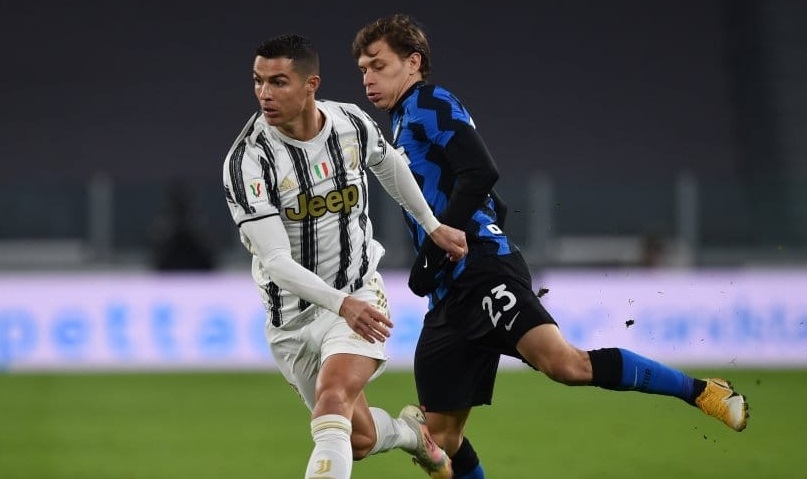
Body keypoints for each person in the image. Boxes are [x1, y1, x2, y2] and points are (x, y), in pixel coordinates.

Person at [352, 14, 749, 479]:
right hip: (448, 294)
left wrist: (442, 247)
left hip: (482, 271)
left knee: (565, 365)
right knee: (438, 440)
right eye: (363, 70)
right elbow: (487, 197)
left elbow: (480, 172)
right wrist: (443, 254)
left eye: (378, 65)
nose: (368, 78)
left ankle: (703, 391)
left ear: (413, 62)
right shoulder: (402, 121)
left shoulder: (428, 103)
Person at [222, 34, 468, 479]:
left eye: (278, 82)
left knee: (332, 398)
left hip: (358, 291)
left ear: (310, 85)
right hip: (291, 318)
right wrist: (341, 305)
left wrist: (432, 224)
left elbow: (389, 164)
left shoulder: (350, 123)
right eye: (258, 81)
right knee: (358, 439)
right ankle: (414, 435)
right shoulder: (248, 162)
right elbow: (276, 262)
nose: (264, 93)